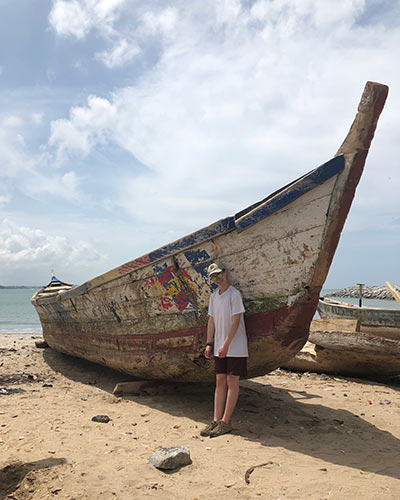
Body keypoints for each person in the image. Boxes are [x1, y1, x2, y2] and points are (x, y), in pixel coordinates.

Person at [200, 262, 248, 438]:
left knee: (231, 381)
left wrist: (226, 344)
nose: (217, 279)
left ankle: (225, 422)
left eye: (219, 275)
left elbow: (236, 321)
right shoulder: (214, 297)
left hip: (235, 345)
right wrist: (209, 343)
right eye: (213, 277)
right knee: (219, 380)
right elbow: (211, 321)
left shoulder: (234, 295)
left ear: (225, 273)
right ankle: (215, 419)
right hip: (219, 345)